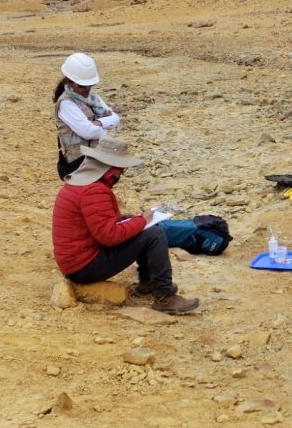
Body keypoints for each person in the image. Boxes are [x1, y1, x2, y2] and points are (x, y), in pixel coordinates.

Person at [51, 136, 199, 314]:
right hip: (83, 267)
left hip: (75, 261)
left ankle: (147, 283)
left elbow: (95, 223)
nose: (120, 175)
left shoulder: (79, 183)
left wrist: (126, 220)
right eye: (120, 171)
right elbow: (109, 236)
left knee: (145, 231)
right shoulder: (94, 190)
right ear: (109, 170)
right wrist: (141, 220)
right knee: (154, 234)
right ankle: (165, 296)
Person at [53, 52, 120, 179]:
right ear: (70, 81)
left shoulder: (93, 97)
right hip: (79, 163)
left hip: (97, 158)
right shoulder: (66, 103)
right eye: (82, 85)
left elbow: (116, 119)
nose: (87, 89)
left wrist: (99, 123)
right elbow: (88, 132)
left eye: (90, 85)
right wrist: (105, 129)